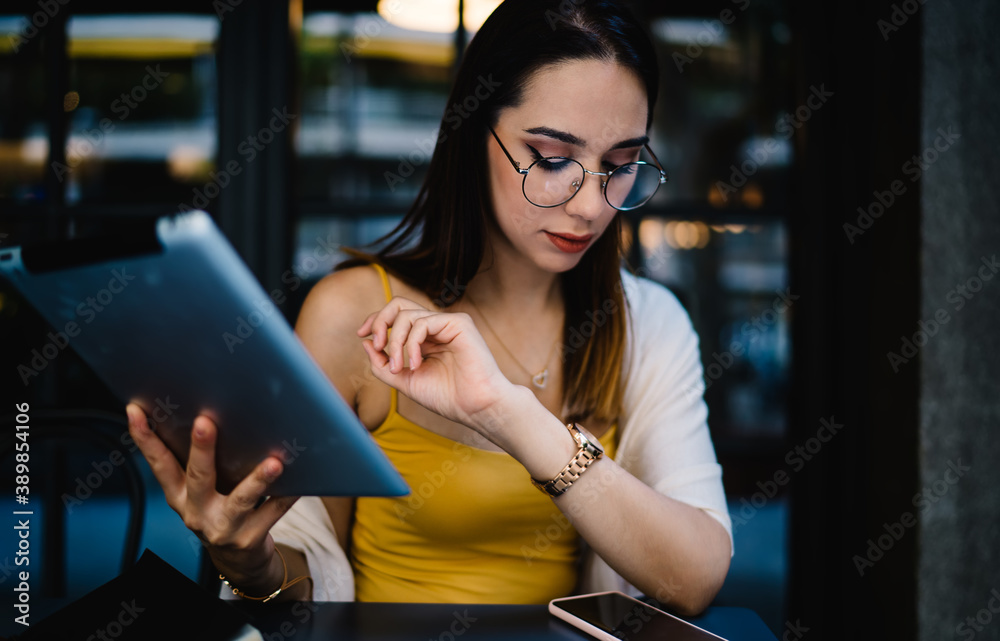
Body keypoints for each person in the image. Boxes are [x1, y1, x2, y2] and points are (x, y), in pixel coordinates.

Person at [126, 0, 732, 616]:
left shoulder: (648, 324)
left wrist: (510, 416)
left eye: (621, 165)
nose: (590, 207)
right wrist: (248, 564)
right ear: (474, 137)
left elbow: (696, 576)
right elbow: (302, 584)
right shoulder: (356, 316)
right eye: (552, 160)